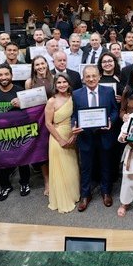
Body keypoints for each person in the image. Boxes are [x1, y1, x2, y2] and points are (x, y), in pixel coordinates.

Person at [72, 65, 119, 211]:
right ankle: (85, 195)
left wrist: (111, 121)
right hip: (85, 136)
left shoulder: (108, 91)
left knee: (106, 165)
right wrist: (74, 125)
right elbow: (74, 114)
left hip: (104, 135)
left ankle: (106, 192)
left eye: (94, 76)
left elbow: (114, 110)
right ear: (83, 79)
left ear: (99, 77)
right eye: (88, 76)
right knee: (86, 167)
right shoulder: (76, 94)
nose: (91, 79)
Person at [0, 64, 31, 200]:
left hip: (18, 131)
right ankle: (5, 185)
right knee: (0, 160)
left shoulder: (20, 91)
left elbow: (30, 111)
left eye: (6, 74)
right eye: (0, 75)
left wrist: (23, 103)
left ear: (12, 76)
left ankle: (24, 183)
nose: (4, 77)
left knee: (23, 158)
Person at [44, 73, 81, 213]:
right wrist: (60, 140)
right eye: (59, 82)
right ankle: (63, 198)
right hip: (57, 137)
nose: (62, 85)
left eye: (64, 82)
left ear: (69, 83)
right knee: (60, 169)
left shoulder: (74, 97)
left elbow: (78, 117)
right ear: (55, 85)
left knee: (72, 167)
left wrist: (74, 135)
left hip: (72, 135)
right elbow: (48, 123)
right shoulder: (51, 101)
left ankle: (73, 195)